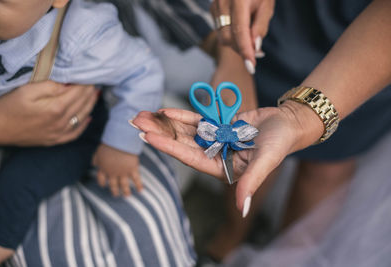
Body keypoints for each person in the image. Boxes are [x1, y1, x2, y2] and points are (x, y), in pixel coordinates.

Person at [132, 0, 391, 261]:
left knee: (326, 167)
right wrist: (231, 49)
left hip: (377, 51)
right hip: (281, 29)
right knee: (253, 151)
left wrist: (299, 118)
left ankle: (287, 256)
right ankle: (234, 232)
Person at [0, 0, 164, 264]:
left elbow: (143, 71)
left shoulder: (84, 33)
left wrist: (120, 145)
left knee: (16, 187)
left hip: (66, 131)